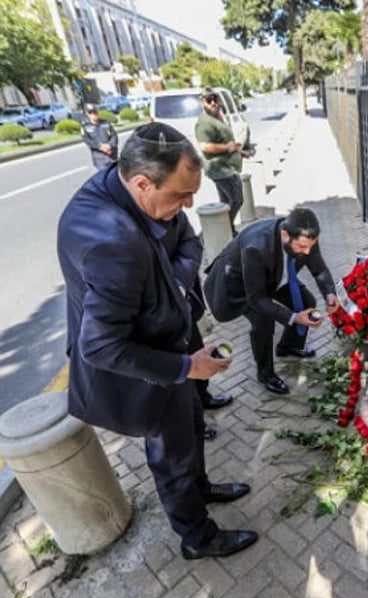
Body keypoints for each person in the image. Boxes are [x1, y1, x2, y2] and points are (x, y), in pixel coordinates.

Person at [57, 122, 257, 560]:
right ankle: (198, 538)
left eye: (191, 195)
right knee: (172, 457)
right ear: (143, 181)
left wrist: (175, 282)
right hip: (146, 366)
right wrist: (187, 368)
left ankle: (201, 489)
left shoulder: (133, 189)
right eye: (180, 197)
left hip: (172, 344)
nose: (187, 206)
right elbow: (101, 346)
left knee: (191, 427)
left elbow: (187, 240)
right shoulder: (112, 242)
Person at [203, 208, 339, 395]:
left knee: (307, 300)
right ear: (284, 235)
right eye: (301, 247)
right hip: (241, 284)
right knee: (263, 321)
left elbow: (319, 268)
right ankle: (266, 374)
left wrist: (330, 294)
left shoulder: (305, 236)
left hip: (274, 276)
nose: (307, 252)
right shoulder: (256, 248)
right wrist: (294, 317)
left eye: (310, 246)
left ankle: (288, 346)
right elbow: (257, 299)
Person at [159, 211, 233, 441]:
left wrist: (180, 283)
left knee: (196, 351)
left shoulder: (171, 211)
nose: (188, 203)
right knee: (182, 372)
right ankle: (194, 424)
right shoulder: (126, 226)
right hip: (162, 319)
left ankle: (204, 397)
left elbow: (191, 243)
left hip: (186, 307)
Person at [195, 87, 244, 235]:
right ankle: (223, 229)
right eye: (209, 100)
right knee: (236, 199)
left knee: (226, 202)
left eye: (215, 99)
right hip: (220, 169)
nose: (213, 103)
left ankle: (227, 231)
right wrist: (227, 148)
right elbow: (205, 146)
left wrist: (239, 151)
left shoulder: (216, 117)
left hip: (227, 166)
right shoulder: (204, 123)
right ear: (202, 103)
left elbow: (226, 141)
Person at [81, 103, 118, 169]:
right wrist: (100, 146)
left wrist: (110, 145)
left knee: (114, 174)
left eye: (95, 111)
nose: (94, 114)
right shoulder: (86, 126)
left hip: (112, 154)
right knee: (103, 175)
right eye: (91, 112)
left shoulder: (106, 123)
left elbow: (114, 136)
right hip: (99, 157)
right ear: (87, 114)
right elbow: (87, 140)